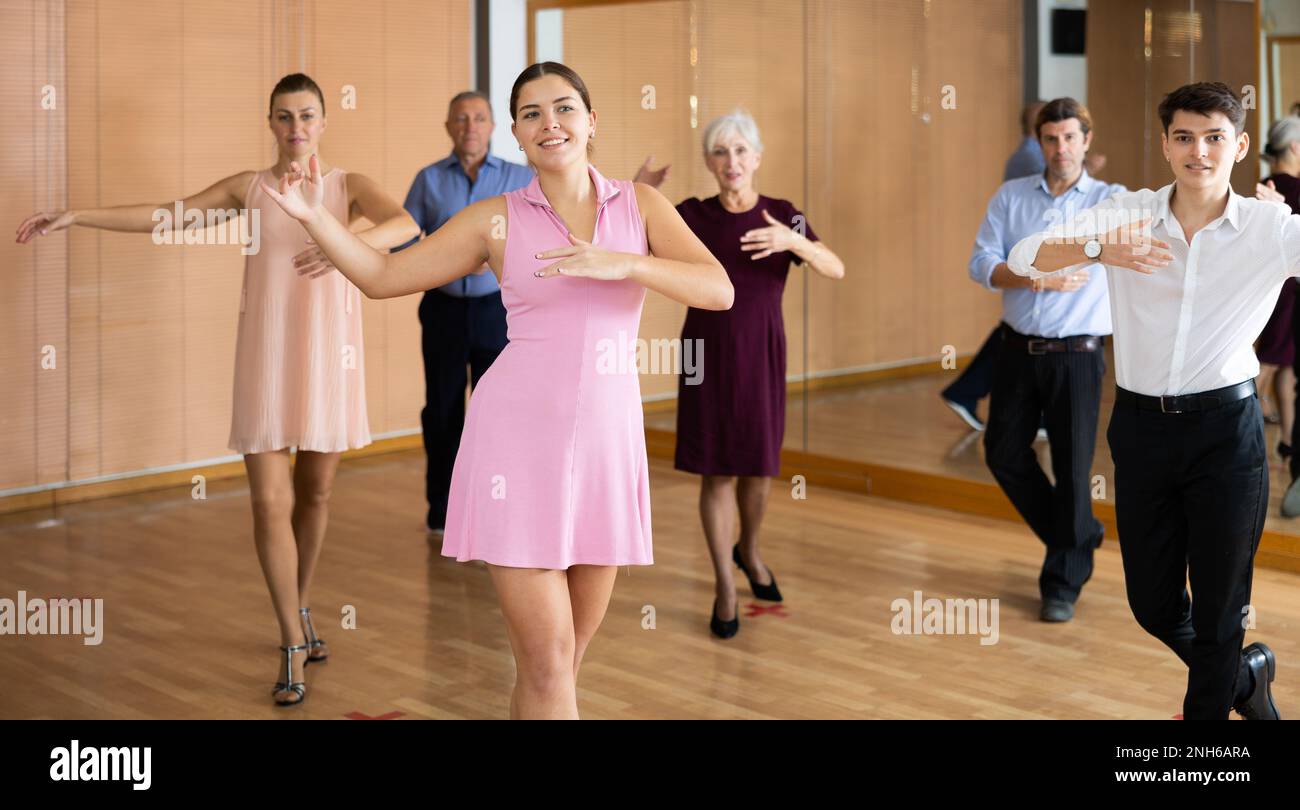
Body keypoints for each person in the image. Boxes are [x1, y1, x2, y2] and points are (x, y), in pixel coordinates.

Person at [258, 61, 733, 719]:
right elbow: (381, 275)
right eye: (532, 114)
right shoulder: (496, 220)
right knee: (546, 668)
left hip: (605, 451)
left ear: (591, 121)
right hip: (516, 447)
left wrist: (623, 261)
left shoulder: (639, 207)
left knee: (557, 667)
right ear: (516, 133)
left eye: (564, 108)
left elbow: (719, 289)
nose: (551, 123)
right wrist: (319, 221)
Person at [14, 73, 420, 707]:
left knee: (317, 494)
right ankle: (290, 638)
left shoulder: (347, 186)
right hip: (265, 359)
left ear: (323, 120)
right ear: (270, 123)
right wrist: (77, 215)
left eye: (307, 115)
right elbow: (167, 215)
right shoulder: (248, 187)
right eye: (283, 117)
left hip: (329, 361)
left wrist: (347, 243)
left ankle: (302, 604)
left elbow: (404, 224)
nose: (296, 128)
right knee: (268, 504)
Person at [1007, 82, 1283, 720]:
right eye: (1184, 137)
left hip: (1227, 434)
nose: (1199, 151)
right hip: (1141, 429)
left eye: (1215, 137)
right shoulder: (1125, 213)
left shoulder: (1269, 227)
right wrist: (1104, 249)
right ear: (1165, 145)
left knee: (1219, 610)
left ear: (1239, 145)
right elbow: (1025, 257)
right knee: (1154, 605)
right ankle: (1244, 681)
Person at [403, 91, 670, 538]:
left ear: (492, 128)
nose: (470, 126)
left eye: (479, 118)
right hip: (444, 308)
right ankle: (443, 509)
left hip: (498, 310)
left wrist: (629, 234)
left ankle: (519, 507)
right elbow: (406, 242)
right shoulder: (429, 180)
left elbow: (573, 212)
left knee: (519, 407)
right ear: (450, 126)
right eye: (461, 119)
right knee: (443, 410)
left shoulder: (515, 180)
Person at [672, 110, 844, 638]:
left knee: (759, 470)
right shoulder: (691, 215)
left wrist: (794, 243)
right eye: (721, 152)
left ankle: (749, 548)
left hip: (762, 353)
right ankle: (726, 584)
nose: (732, 161)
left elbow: (834, 266)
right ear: (709, 161)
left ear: (757, 158)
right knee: (717, 471)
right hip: (705, 355)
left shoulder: (783, 215)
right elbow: (628, 240)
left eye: (741, 151)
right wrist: (638, 188)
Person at [970, 98, 1126, 623]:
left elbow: (1149, 230)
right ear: (1039, 143)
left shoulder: (1111, 201)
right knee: (1002, 453)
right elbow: (981, 263)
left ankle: (1061, 582)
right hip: (1016, 349)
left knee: (1073, 469)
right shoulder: (1011, 196)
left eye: (1069, 138)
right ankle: (1077, 534)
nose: (1060, 148)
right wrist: (1033, 275)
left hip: (1077, 357)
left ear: (1087, 141)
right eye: (1051, 139)